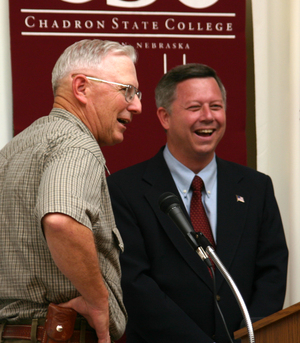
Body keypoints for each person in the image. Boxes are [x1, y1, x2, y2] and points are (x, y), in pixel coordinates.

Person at [107, 63, 288, 343]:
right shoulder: (124, 190)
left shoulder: (255, 187)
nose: (208, 117)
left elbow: (272, 271)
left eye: (216, 106)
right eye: (194, 108)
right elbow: (133, 284)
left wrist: (249, 336)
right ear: (164, 117)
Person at [0, 39, 142, 343]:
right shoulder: (78, 145)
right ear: (81, 88)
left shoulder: (13, 150)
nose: (137, 105)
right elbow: (60, 220)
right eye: (127, 90)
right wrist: (98, 302)